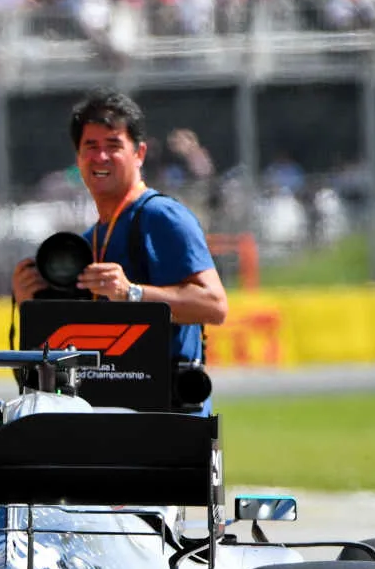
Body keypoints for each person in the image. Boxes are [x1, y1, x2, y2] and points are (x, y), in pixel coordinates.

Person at [11, 90, 228, 414]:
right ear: (78, 157)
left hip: (171, 418)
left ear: (139, 153)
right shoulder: (87, 241)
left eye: (113, 146)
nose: (101, 157)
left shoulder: (161, 217)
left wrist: (132, 293)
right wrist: (31, 306)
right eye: (91, 147)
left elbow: (215, 306)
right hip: (106, 413)